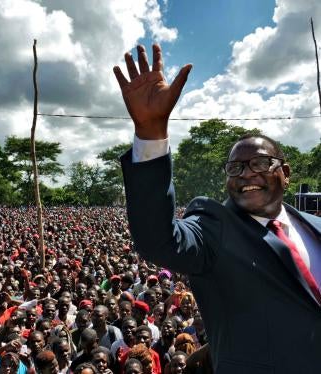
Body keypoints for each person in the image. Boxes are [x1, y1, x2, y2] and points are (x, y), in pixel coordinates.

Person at [114, 43, 321, 373]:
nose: (247, 173)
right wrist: (151, 132)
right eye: (235, 168)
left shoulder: (314, 225)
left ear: (286, 172)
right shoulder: (214, 226)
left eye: (260, 163)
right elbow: (158, 239)